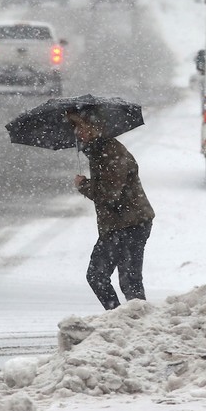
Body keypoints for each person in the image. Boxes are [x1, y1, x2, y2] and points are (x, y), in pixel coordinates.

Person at [66, 107, 155, 310]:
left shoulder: (111, 152)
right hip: (122, 223)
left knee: (111, 278)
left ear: (94, 127)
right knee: (124, 280)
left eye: (80, 126)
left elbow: (109, 194)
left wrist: (83, 185)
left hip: (129, 223)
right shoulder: (99, 151)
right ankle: (127, 323)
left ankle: (125, 322)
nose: (77, 132)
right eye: (74, 127)